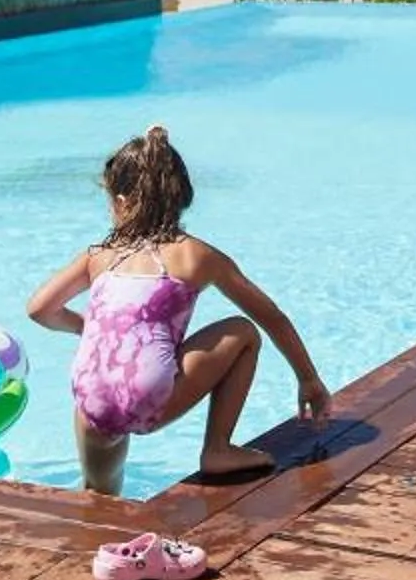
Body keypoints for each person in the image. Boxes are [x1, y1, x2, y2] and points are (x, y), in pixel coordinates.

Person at [27, 126, 330, 496]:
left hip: (92, 399)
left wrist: (84, 326)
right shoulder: (197, 255)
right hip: (150, 396)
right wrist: (308, 378)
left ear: (121, 202)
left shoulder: (99, 256)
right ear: (181, 197)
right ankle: (217, 448)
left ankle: (97, 522)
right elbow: (272, 317)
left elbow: (40, 309)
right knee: (243, 331)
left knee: (98, 493)